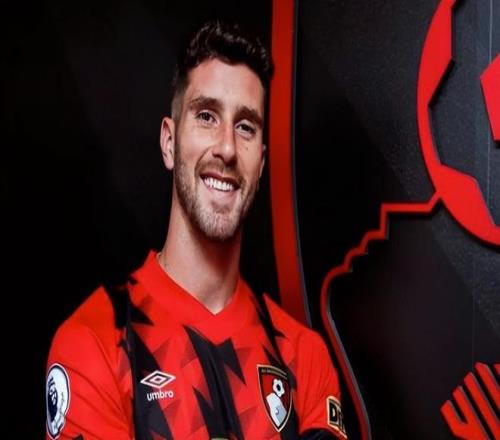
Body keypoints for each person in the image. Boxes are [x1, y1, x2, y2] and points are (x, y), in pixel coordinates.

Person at [46, 21, 347, 440]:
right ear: (169, 143)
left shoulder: (304, 357)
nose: (226, 147)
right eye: (206, 116)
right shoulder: (95, 342)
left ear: (261, 163)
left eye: (246, 126)